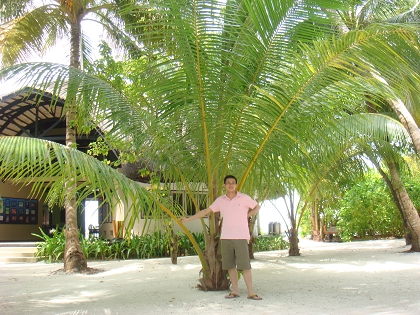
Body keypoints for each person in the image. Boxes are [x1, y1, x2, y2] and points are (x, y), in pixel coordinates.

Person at [180, 175, 262, 300]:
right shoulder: (220, 200)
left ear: (236, 185)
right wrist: (188, 219)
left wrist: (247, 215)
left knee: (245, 266)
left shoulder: (244, 198)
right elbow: (206, 211)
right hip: (226, 237)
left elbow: (257, 206)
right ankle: (235, 291)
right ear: (224, 185)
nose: (230, 185)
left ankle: (251, 292)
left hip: (241, 236)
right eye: (228, 183)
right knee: (230, 266)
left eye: (233, 183)